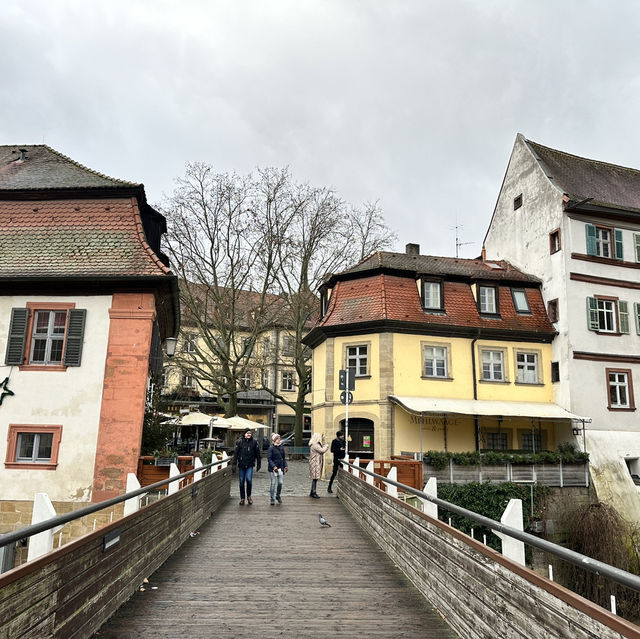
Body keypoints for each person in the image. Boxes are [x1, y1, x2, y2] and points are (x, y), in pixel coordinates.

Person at [232, 427, 261, 505]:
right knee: (241, 482)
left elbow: (258, 454)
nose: (249, 434)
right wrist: (234, 464)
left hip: (250, 464)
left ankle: (249, 496)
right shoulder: (239, 442)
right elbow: (236, 453)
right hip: (241, 464)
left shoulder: (254, 442)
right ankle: (242, 498)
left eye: (250, 433)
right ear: (244, 434)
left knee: (249, 480)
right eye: (247, 433)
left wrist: (259, 463)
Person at [267, 432, 288, 505]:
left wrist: (285, 465)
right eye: (277, 439)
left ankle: (278, 495)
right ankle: (272, 498)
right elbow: (269, 459)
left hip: (280, 468)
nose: (279, 440)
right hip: (273, 469)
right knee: (273, 483)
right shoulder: (271, 448)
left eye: (279, 438)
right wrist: (273, 466)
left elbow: (283, 458)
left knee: (280, 482)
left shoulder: (281, 447)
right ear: (274, 440)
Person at [308, 432, 329, 499]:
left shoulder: (314, 444)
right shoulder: (315, 445)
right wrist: (326, 445)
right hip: (315, 463)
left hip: (315, 462)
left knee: (315, 478)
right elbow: (322, 450)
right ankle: (313, 492)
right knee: (315, 478)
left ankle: (312, 491)